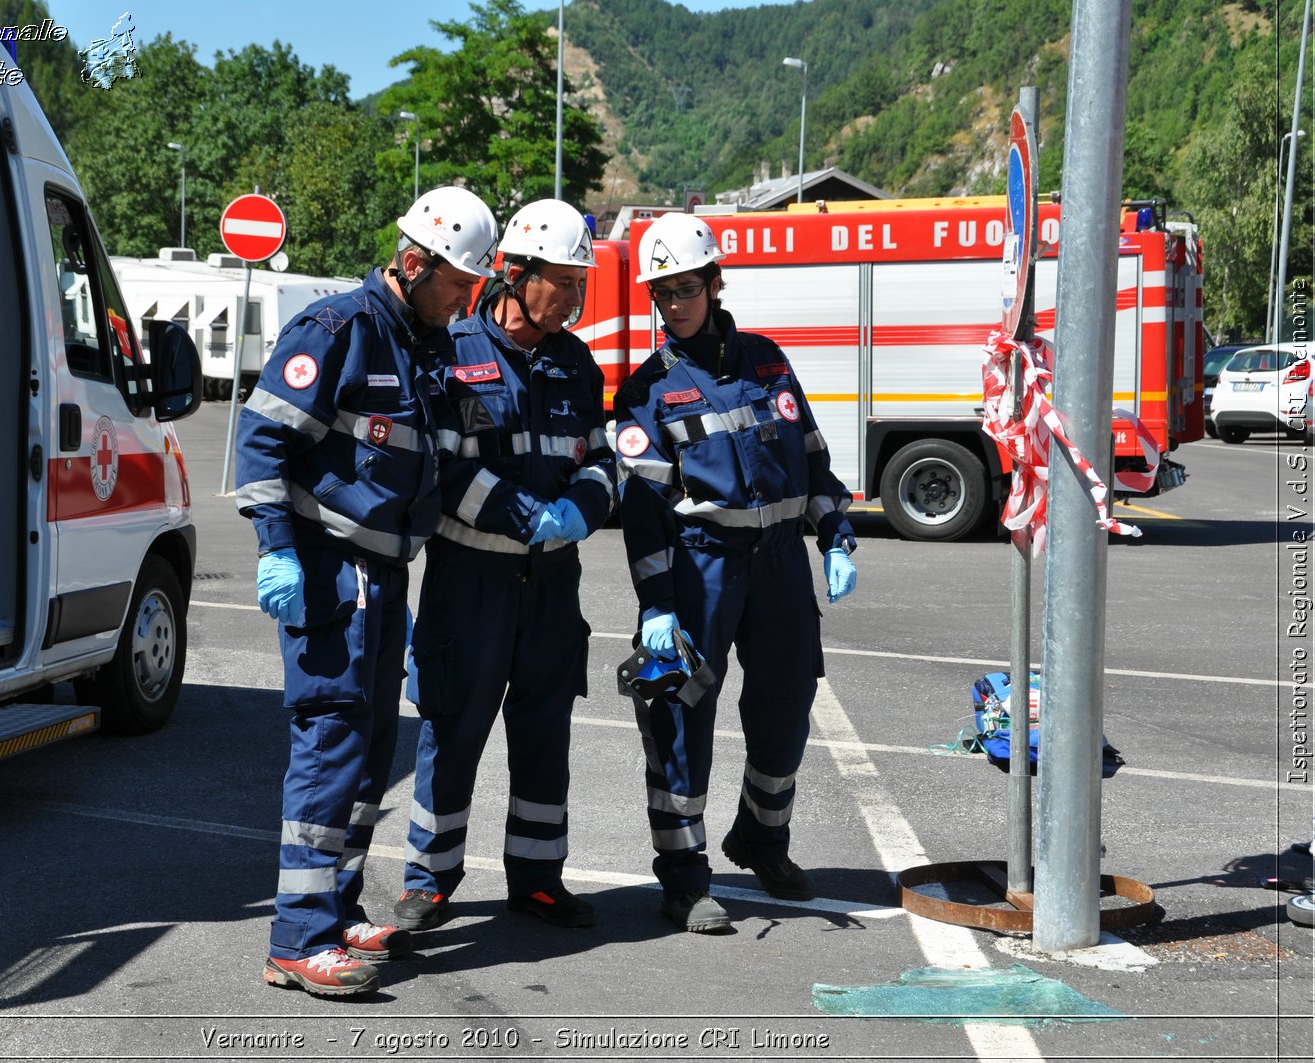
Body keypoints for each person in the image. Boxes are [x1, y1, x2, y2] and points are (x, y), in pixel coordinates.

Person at [234, 185, 499, 997]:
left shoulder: (424, 344)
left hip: (384, 574)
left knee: (370, 746)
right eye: (460, 283)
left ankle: (338, 906)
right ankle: (297, 938)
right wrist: (279, 549)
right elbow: (262, 437)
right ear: (414, 262)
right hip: (330, 564)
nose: (469, 299)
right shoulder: (338, 330)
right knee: (330, 742)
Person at [612, 211, 859, 933]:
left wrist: (835, 533)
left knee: (786, 705)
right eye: (661, 293)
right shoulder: (646, 392)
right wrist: (657, 604)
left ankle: (760, 838)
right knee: (680, 717)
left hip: (780, 561)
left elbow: (811, 456)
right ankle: (685, 878)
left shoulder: (769, 360)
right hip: (700, 569)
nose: (674, 303)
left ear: (716, 283)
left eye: (685, 287)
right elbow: (643, 511)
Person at [393, 199, 616, 933]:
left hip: (553, 586)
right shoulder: (455, 351)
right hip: (471, 583)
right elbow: (442, 470)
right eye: (565, 282)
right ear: (516, 276)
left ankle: (538, 876)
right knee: (453, 730)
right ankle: (430, 879)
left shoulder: (575, 361)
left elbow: (602, 455)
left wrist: (584, 505)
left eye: (581, 283)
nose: (577, 299)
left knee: (546, 731)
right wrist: (528, 516)